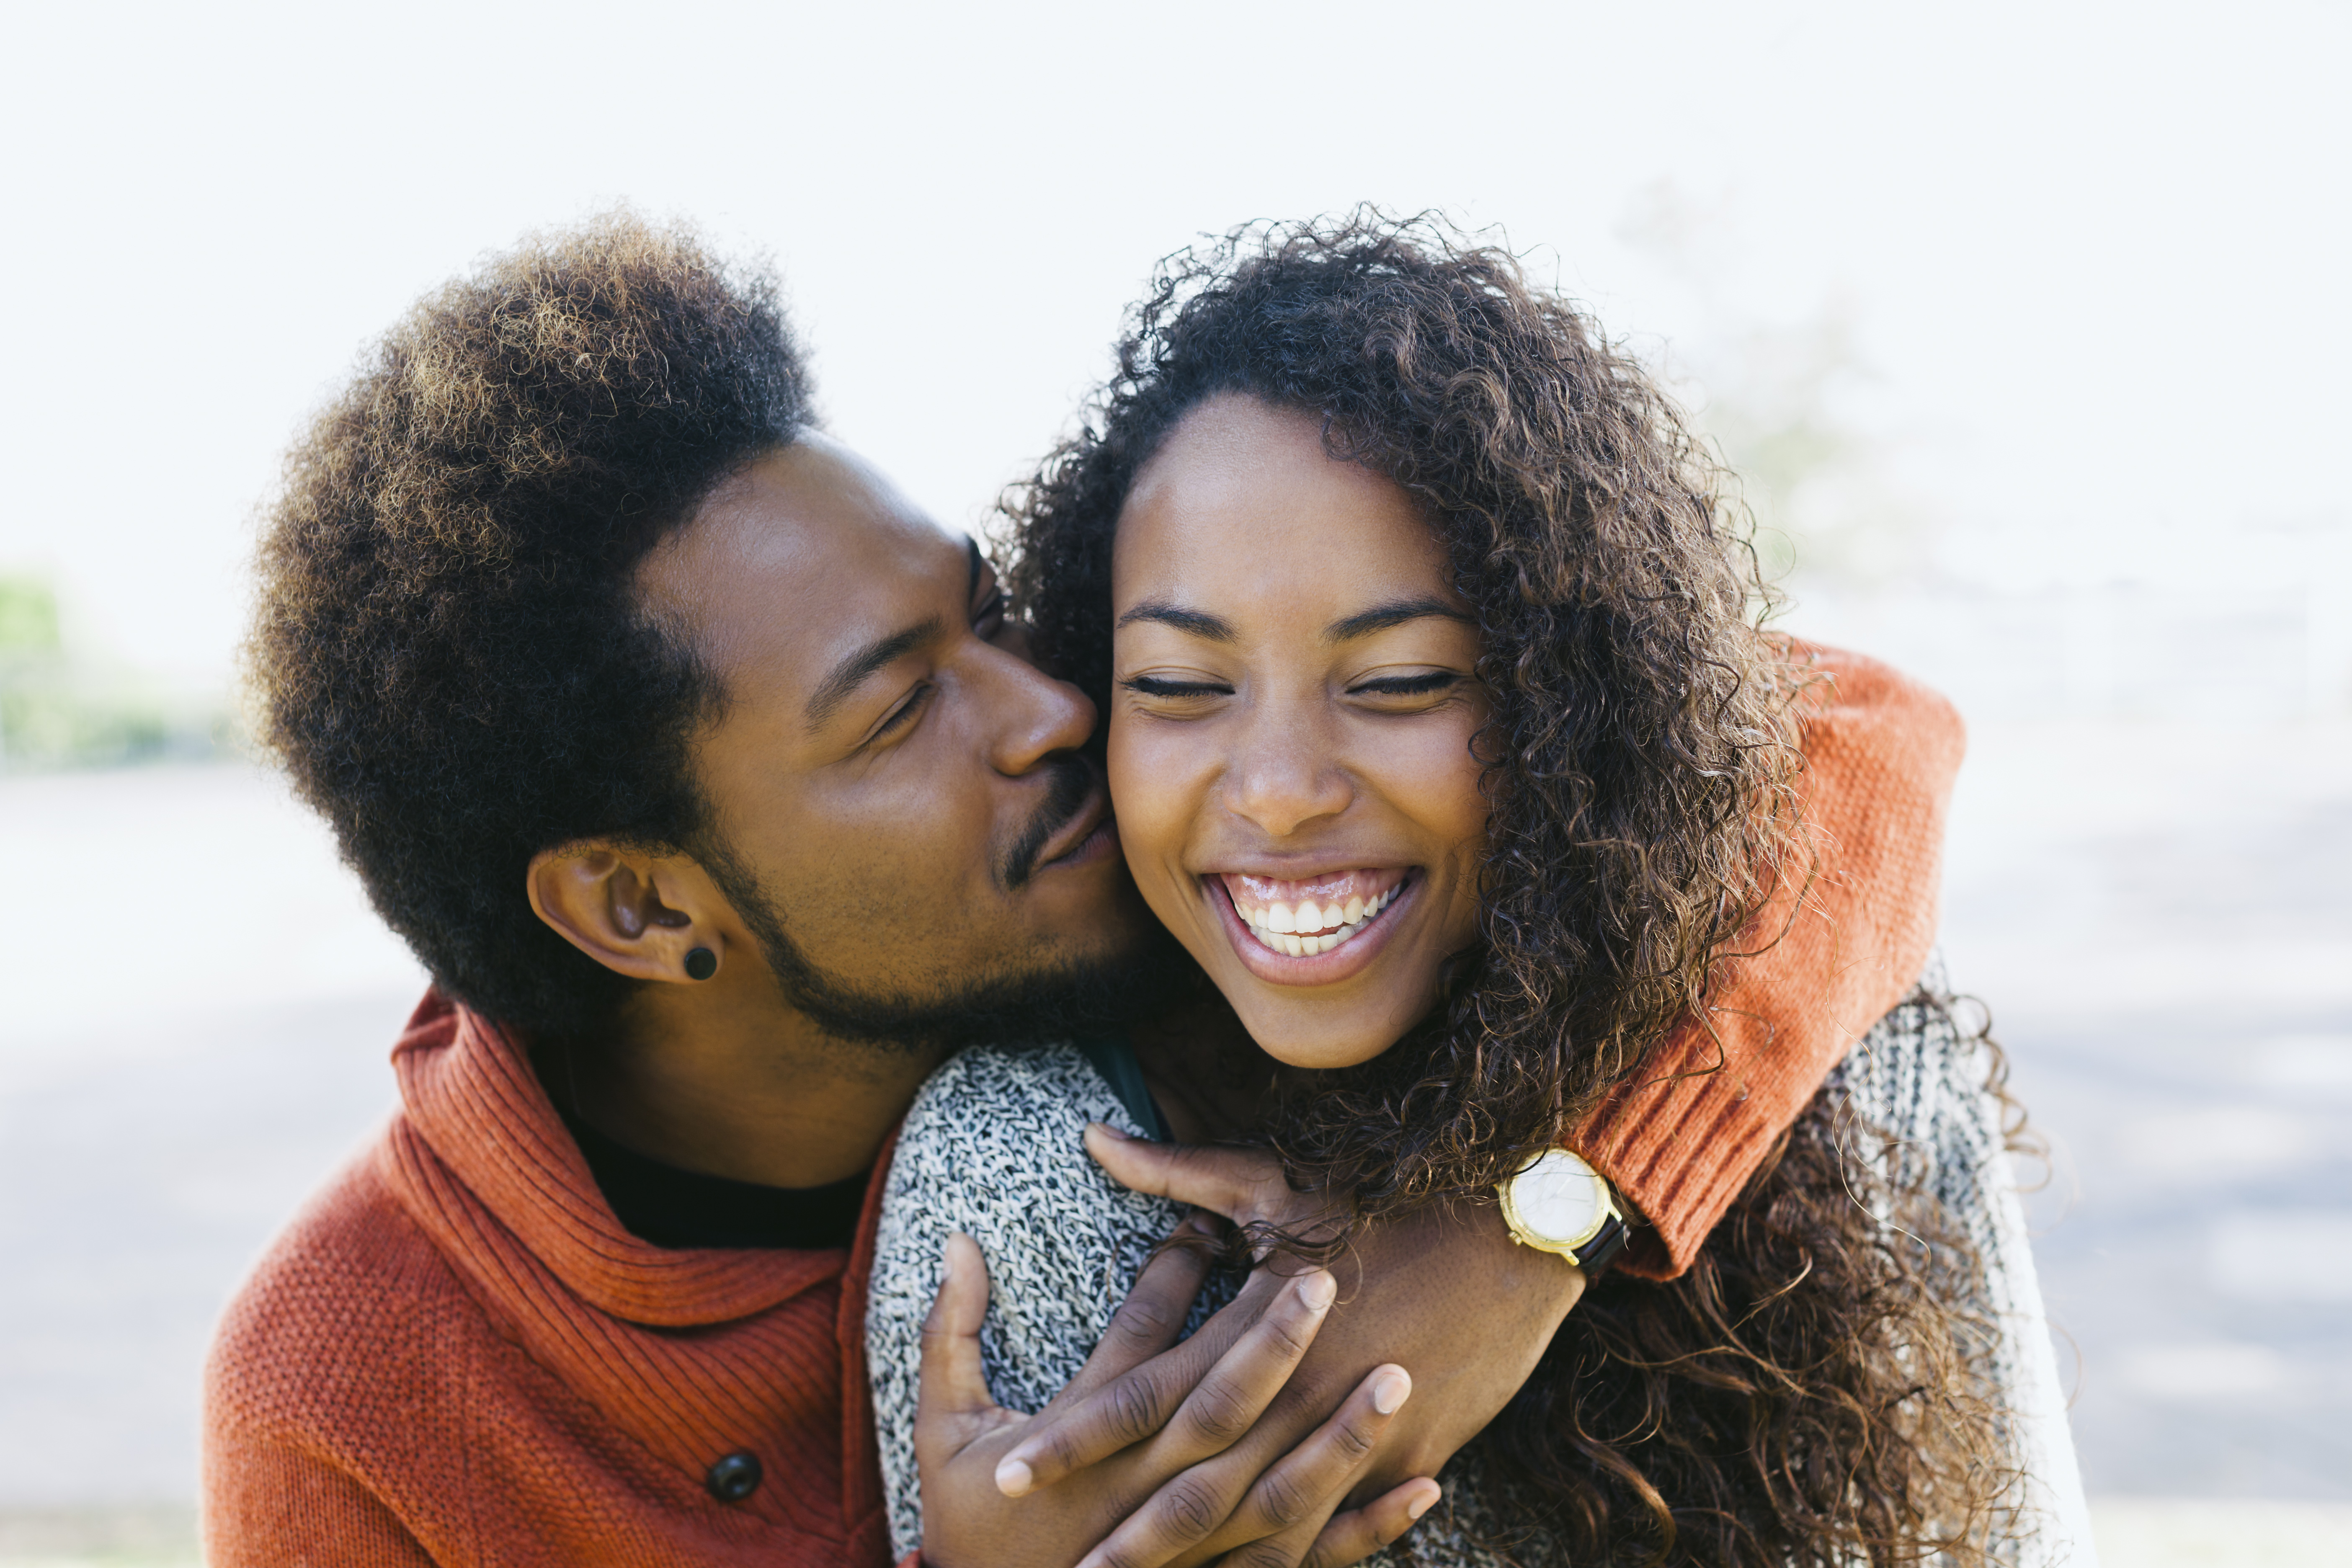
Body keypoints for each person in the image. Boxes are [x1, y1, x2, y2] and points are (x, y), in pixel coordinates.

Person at [207, 210, 1988, 1568]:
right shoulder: (353, 1391)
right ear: (642, 911)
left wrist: (1541, 1217)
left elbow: (1858, 735)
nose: (1054, 706)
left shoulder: (1140, 872)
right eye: (906, 707)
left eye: (979, 612)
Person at [867, 217, 2094, 1567]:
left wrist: (1539, 1219)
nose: (1276, 791)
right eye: (1178, 686)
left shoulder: (1851, 1062)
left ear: (1580, 705)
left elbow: (1879, 727)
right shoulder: (1032, 1175)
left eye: (1400, 682)